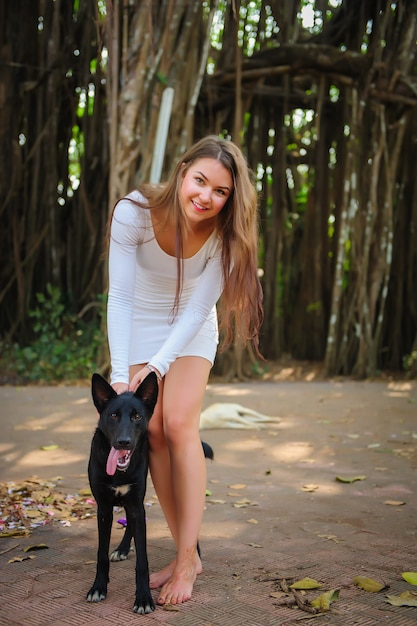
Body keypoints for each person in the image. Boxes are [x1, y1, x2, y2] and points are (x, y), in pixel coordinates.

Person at [106, 135, 263, 605]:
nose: (206, 197)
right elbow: (121, 297)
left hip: (190, 331)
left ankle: (188, 556)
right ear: (182, 171)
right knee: (150, 431)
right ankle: (184, 552)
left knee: (177, 424)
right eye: (200, 181)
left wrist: (158, 363)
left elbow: (197, 312)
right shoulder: (132, 213)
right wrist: (120, 372)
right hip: (141, 322)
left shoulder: (224, 235)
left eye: (220, 192)